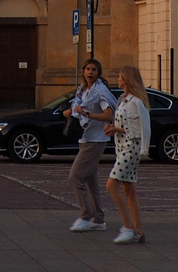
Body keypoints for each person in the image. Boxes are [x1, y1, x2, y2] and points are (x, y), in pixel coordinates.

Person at [62, 59, 115, 231]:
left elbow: (108, 115)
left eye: (94, 69)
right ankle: (99, 219)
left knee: (75, 176)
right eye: (87, 69)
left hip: (96, 139)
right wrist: (70, 112)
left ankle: (86, 215)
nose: (90, 72)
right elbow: (78, 108)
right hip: (85, 137)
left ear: (98, 73)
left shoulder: (100, 92)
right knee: (91, 181)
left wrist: (87, 114)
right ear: (83, 72)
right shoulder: (82, 90)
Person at [105, 65, 151, 244]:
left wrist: (144, 150)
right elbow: (126, 127)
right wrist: (114, 129)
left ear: (126, 79)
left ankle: (128, 227)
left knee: (111, 185)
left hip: (132, 147)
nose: (118, 79)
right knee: (129, 190)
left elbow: (144, 127)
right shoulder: (123, 100)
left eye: (120, 76)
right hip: (122, 146)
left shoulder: (137, 102)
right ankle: (139, 231)